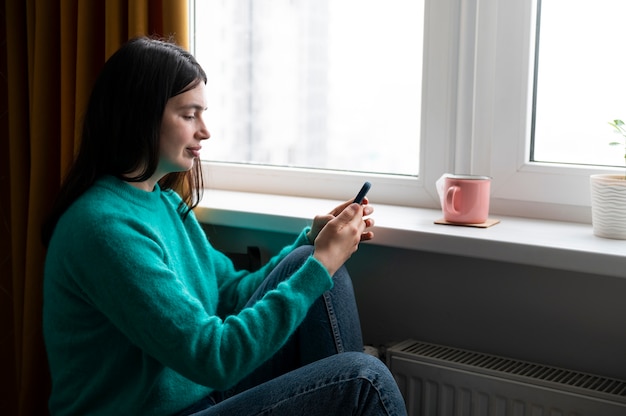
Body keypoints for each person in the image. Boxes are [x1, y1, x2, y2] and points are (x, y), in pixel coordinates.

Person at [41, 37, 407, 416]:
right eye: (189, 115)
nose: (205, 130)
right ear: (140, 116)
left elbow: (231, 294)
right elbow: (214, 357)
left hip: (203, 395)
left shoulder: (164, 203)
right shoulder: (104, 229)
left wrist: (314, 245)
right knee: (364, 380)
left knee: (303, 260)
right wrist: (322, 265)